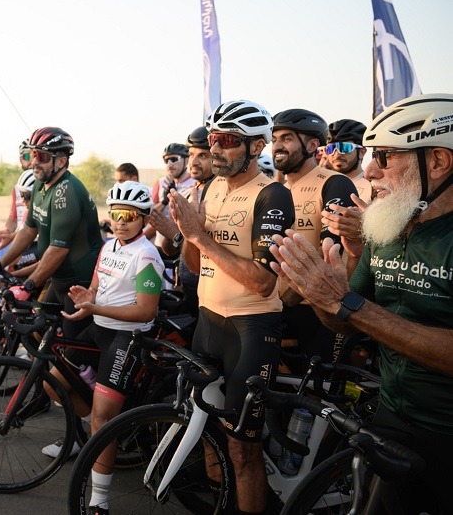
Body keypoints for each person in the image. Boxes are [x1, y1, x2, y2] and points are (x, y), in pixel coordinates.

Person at [269, 93, 453, 514]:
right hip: (392, 420)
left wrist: (347, 303)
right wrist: (321, 295)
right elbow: (345, 323)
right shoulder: (387, 226)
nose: (369, 170)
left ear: (439, 162)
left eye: (385, 157)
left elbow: (356, 310)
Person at [169, 99, 294, 514]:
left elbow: (262, 282)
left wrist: (200, 236)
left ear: (256, 147)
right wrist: (188, 234)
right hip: (209, 321)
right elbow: (194, 263)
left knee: (243, 449)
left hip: (250, 329)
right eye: (212, 139)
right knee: (208, 430)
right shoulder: (211, 187)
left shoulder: (272, 195)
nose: (215, 148)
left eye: (226, 141)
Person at [59, 181, 164, 515]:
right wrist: (87, 298)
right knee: (53, 381)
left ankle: (99, 500)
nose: (121, 221)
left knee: (103, 420)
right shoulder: (109, 247)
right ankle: (99, 424)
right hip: (99, 328)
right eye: (117, 214)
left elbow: (146, 311)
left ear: (143, 218)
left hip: (127, 337)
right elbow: (96, 286)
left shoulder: (147, 254)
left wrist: (96, 309)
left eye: (130, 216)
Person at [271, 109, 359, 368]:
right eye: (274, 138)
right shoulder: (279, 190)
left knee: (314, 397)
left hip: (316, 310)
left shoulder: (334, 183)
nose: (277, 145)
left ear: (312, 145)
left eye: (287, 138)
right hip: (278, 307)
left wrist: (284, 305)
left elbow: (328, 254)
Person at [0, 127, 103, 338]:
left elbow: (58, 250)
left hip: (79, 283)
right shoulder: (39, 184)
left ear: (61, 161)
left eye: (43, 156)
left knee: (71, 350)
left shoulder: (67, 192)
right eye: (32, 154)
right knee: (38, 333)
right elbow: (28, 230)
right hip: (58, 279)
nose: (35, 161)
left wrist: (28, 285)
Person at [150, 125, 215, 318]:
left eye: (203, 156)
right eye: (191, 154)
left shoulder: (220, 194)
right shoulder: (187, 193)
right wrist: (171, 234)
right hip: (187, 286)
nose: (193, 162)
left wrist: (176, 234)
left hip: (211, 292)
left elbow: (212, 250)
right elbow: (171, 249)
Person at [0, 139, 32, 252]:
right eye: (27, 156)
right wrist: (7, 232)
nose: (32, 162)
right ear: (21, 160)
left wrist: (12, 236)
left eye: (35, 156)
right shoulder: (17, 188)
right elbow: (13, 218)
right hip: (20, 243)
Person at [325, 118, 373, 203]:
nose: (337, 155)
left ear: (362, 152)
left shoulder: (374, 187)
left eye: (344, 148)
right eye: (331, 148)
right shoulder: (322, 184)